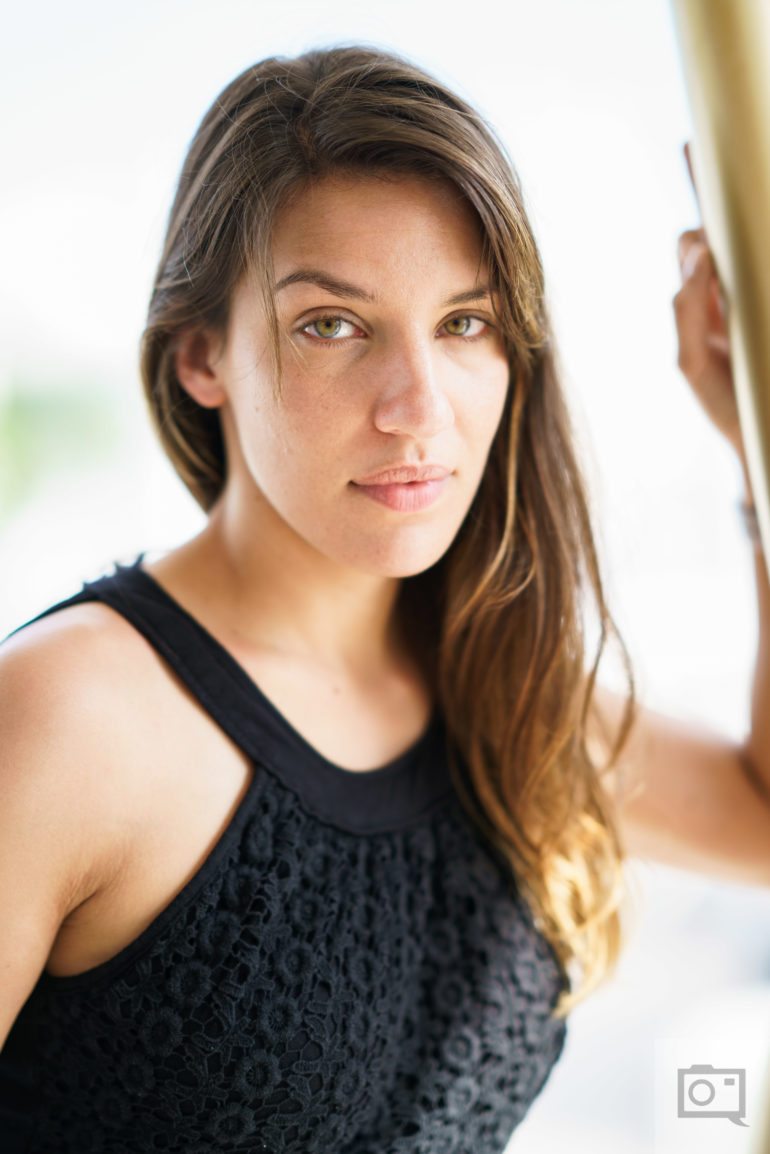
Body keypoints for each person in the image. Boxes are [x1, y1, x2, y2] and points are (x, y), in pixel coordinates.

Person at [0, 43, 767, 1154]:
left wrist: (752, 443)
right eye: (333, 325)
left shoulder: (493, 689)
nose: (418, 409)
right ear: (199, 356)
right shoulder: (69, 718)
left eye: (463, 323)